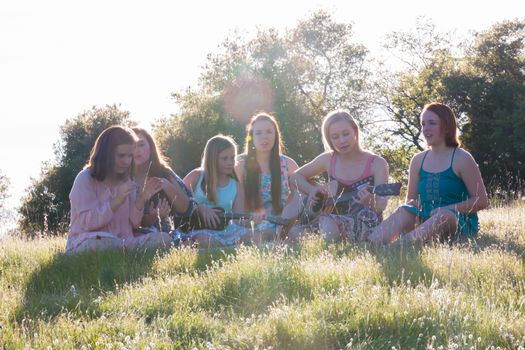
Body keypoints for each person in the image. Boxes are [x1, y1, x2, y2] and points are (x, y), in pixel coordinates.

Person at [368, 102, 488, 245]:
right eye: (423, 124)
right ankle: (371, 245)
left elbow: (481, 201)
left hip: (456, 221)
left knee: (444, 215)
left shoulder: (462, 158)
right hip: (424, 220)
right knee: (404, 210)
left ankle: (399, 248)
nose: (426, 128)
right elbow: (411, 200)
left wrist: (447, 208)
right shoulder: (418, 160)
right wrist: (413, 205)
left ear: (446, 127)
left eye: (432, 123)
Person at [65, 126, 172, 254]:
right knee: (103, 243)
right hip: (88, 241)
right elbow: (87, 223)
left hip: (124, 241)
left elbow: (134, 224)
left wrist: (142, 198)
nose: (126, 161)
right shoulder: (85, 179)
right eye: (121, 155)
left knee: (163, 239)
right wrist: (116, 201)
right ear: (106, 154)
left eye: (130, 156)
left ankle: (124, 252)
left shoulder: (127, 181)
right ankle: (124, 252)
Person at [288, 109, 389, 243]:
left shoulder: (377, 163)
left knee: (327, 222)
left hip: (365, 224)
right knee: (295, 231)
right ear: (329, 139)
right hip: (331, 221)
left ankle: (335, 245)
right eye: (335, 137)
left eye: (346, 134)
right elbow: (295, 177)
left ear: (355, 131)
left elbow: (382, 205)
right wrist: (311, 190)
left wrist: (371, 201)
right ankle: (329, 243)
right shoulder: (328, 159)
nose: (342, 141)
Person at [234, 112, 299, 243]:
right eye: (258, 133)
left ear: (276, 136)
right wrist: (248, 219)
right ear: (251, 137)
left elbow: (299, 198)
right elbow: (237, 209)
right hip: (251, 225)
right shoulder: (239, 164)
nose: (264, 136)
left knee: (297, 234)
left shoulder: (288, 164)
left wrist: (286, 217)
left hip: (283, 223)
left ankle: (276, 237)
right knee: (250, 237)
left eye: (269, 131)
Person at [183, 135, 248, 247]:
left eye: (233, 157)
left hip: (225, 230)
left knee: (254, 236)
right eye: (224, 158)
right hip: (198, 230)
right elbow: (179, 201)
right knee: (206, 241)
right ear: (212, 158)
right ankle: (222, 248)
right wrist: (199, 207)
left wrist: (255, 219)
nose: (230, 162)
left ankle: (226, 247)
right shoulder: (196, 176)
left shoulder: (236, 185)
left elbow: (238, 219)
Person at [132, 127, 195, 234]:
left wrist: (165, 185)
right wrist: (152, 217)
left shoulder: (164, 172)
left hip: (167, 233)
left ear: (151, 147)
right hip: (133, 234)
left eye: (141, 144)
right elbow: (126, 220)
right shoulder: (123, 178)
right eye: (132, 146)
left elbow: (187, 209)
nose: (137, 150)